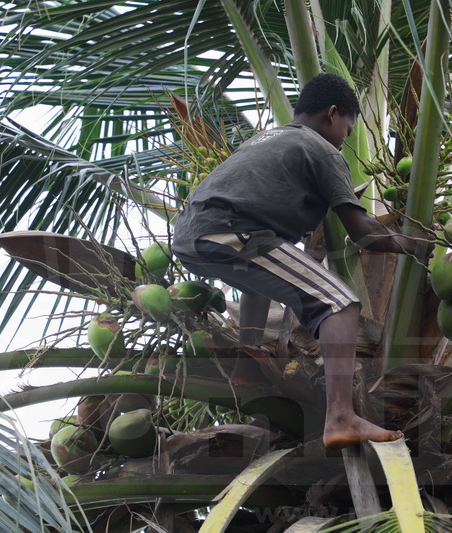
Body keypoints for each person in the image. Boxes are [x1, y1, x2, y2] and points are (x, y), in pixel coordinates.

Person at [172, 73, 433, 449]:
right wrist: (418, 244)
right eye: (348, 127)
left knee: (259, 279)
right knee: (339, 303)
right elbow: (364, 232)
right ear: (331, 114)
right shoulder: (321, 150)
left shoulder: (269, 138)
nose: (346, 138)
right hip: (231, 231)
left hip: (192, 235)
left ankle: (246, 369)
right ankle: (341, 417)